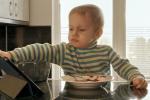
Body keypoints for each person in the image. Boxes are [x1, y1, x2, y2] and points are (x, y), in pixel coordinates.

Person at [0, 4, 147, 89]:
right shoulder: (64, 51)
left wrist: (136, 76)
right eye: (71, 29)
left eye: (81, 30)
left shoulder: (106, 52)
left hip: (102, 96)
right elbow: (40, 49)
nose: (73, 34)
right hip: (70, 96)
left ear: (97, 33)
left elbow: (122, 65)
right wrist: (13, 55)